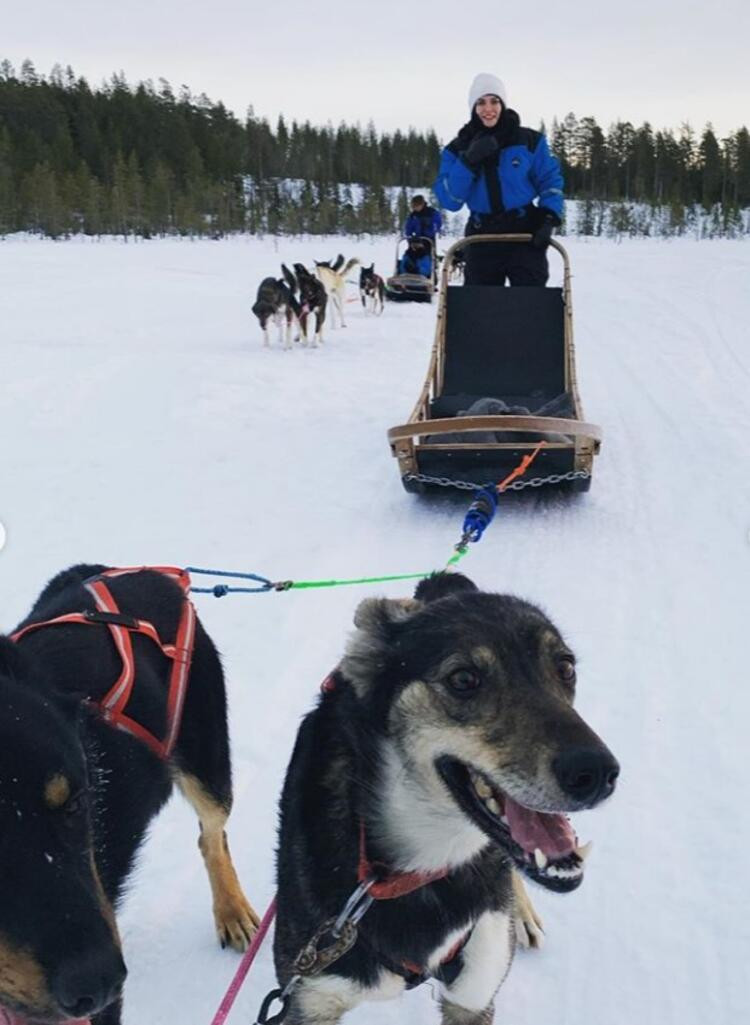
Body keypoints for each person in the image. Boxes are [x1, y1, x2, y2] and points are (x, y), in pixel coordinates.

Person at [433, 73, 564, 286]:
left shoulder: (529, 141)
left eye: (494, 101)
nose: (488, 109)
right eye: (481, 102)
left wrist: (549, 216)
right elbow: (450, 200)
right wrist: (468, 161)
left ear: (503, 104)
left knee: (530, 307)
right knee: (481, 311)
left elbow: (549, 180)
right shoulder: (457, 149)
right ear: (473, 108)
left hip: (524, 232)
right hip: (482, 235)